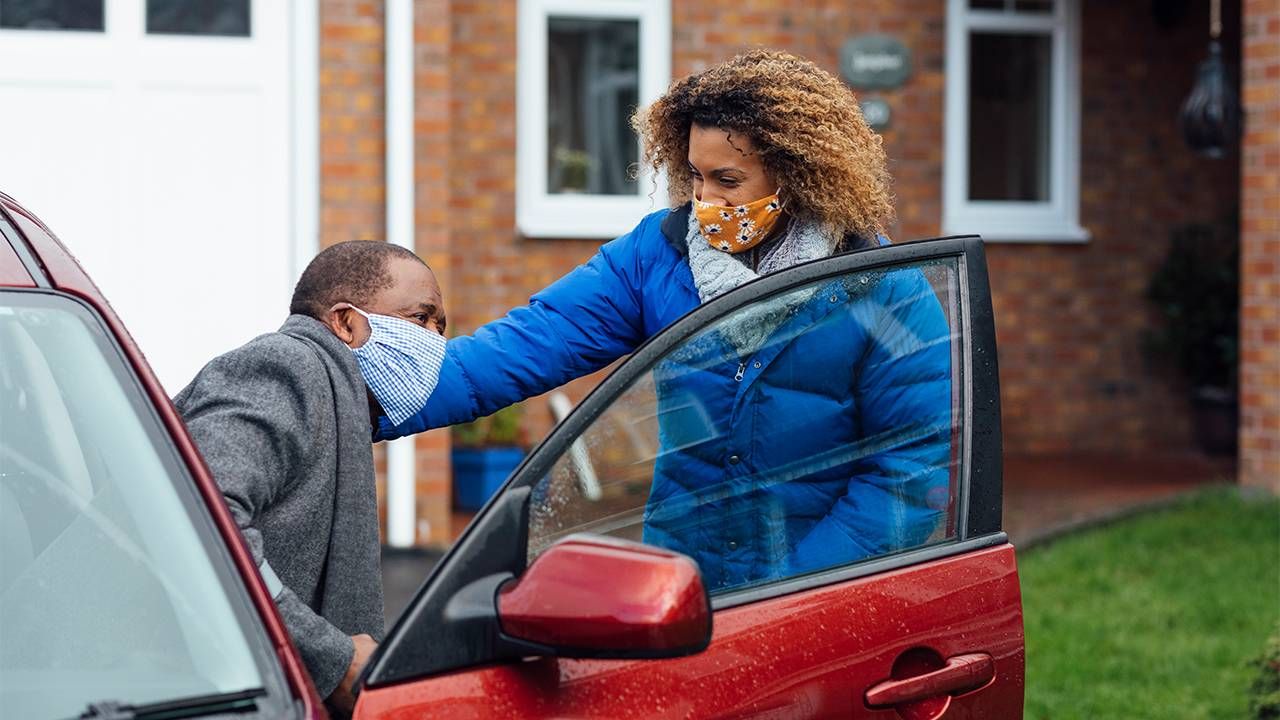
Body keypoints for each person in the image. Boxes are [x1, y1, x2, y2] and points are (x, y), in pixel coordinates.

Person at [381, 49, 950, 591]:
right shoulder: (656, 256)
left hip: (809, 605)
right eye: (695, 176)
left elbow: (906, 474)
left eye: (727, 181)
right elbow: (522, 346)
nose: (703, 200)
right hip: (678, 589)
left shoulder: (883, 288)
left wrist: (788, 595)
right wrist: (359, 392)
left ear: (797, 174)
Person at [175, 241, 446, 714]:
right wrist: (332, 658)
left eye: (440, 327)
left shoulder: (337, 392)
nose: (435, 342)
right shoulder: (287, 367)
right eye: (420, 319)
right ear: (345, 322)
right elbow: (196, 516)